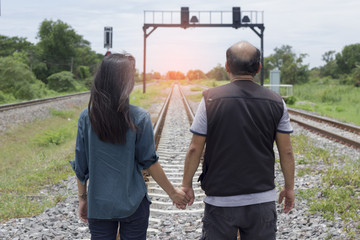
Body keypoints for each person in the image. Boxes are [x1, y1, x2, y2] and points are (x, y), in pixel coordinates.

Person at [180, 41, 295, 240]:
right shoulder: (276, 101)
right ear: (258, 68)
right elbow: (286, 152)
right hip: (262, 200)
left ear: (227, 67)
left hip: (220, 202)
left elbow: (194, 149)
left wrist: (186, 185)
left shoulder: (210, 99)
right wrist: (289, 187)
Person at [71, 53, 189, 240]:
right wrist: (173, 193)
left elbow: (81, 166)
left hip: (99, 205)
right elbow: (149, 162)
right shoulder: (140, 117)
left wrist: (83, 199)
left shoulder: (87, 117)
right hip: (133, 204)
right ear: (126, 82)